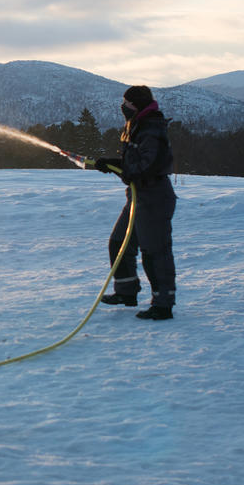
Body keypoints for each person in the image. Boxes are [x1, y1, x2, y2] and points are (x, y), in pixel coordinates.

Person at [92, 85, 178, 320]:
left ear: (137, 104)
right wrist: (113, 164)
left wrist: (126, 171)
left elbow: (148, 164)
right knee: (119, 242)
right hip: (137, 196)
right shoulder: (137, 125)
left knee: (155, 252)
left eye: (127, 103)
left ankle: (163, 304)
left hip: (154, 197)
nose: (124, 107)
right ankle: (126, 292)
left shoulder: (151, 128)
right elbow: (134, 161)